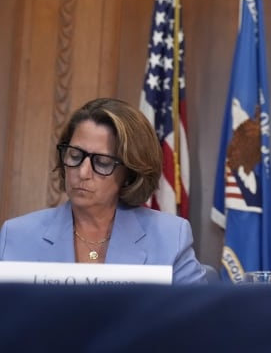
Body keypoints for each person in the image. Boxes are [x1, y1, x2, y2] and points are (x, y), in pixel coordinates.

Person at [0, 97, 206, 284]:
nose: (83, 172)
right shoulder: (17, 236)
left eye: (103, 162)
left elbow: (200, 319)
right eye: (74, 155)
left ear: (130, 171)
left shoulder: (170, 237)